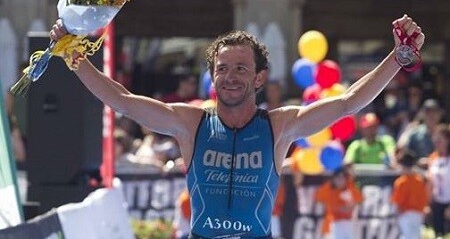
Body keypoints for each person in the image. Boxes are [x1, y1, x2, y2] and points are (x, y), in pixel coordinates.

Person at [49, 14, 424, 238]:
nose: (230, 77)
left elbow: (347, 103)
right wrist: (73, 58)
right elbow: (123, 102)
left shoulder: (279, 126)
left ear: (259, 78)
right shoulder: (190, 122)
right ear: (212, 76)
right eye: (222, 69)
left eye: (241, 68)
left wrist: (398, 57)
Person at [314, 166, 363, 239]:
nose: (340, 180)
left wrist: (350, 207)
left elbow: (359, 200)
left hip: (349, 223)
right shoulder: (327, 189)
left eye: (342, 178)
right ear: (333, 179)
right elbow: (318, 198)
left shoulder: (350, 186)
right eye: (338, 178)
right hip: (333, 223)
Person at [391, 151, 429, 239]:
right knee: (415, 236)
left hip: (405, 214)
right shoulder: (419, 180)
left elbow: (397, 202)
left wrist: (396, 213)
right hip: (418, 214)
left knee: (406, 236)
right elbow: (424, 198)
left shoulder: (401, 182)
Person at [398, 98, 444, 167]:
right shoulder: (415, 134)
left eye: (434, 112)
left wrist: (432, 161)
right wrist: (418, 162)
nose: (431, 115)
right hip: (420, 173)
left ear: (439, 114)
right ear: (422, 114)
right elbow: (405, 155)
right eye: (428, 112)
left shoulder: (445, 134)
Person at [427, 124, 450, 237]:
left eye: (440, 140)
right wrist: (427, 204)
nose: (437, 143)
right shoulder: (433, 158)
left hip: (448, 202)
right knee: (437, 234)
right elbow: (430, 182)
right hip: (437, 203)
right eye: (435, 140)